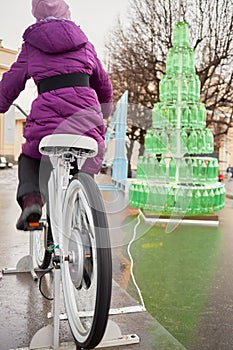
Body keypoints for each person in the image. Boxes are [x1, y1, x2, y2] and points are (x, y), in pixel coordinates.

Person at [0, 0, 113, 230]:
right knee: (86, 160)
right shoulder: (85, 44)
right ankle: (84, 198)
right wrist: (105, 111)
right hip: (87, 121)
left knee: (31, 158)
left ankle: (32, 202)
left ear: (36, 16)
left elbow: (11, 83)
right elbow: (103, 83)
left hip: (47, 125)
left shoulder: (31, 46)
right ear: (67, 13)